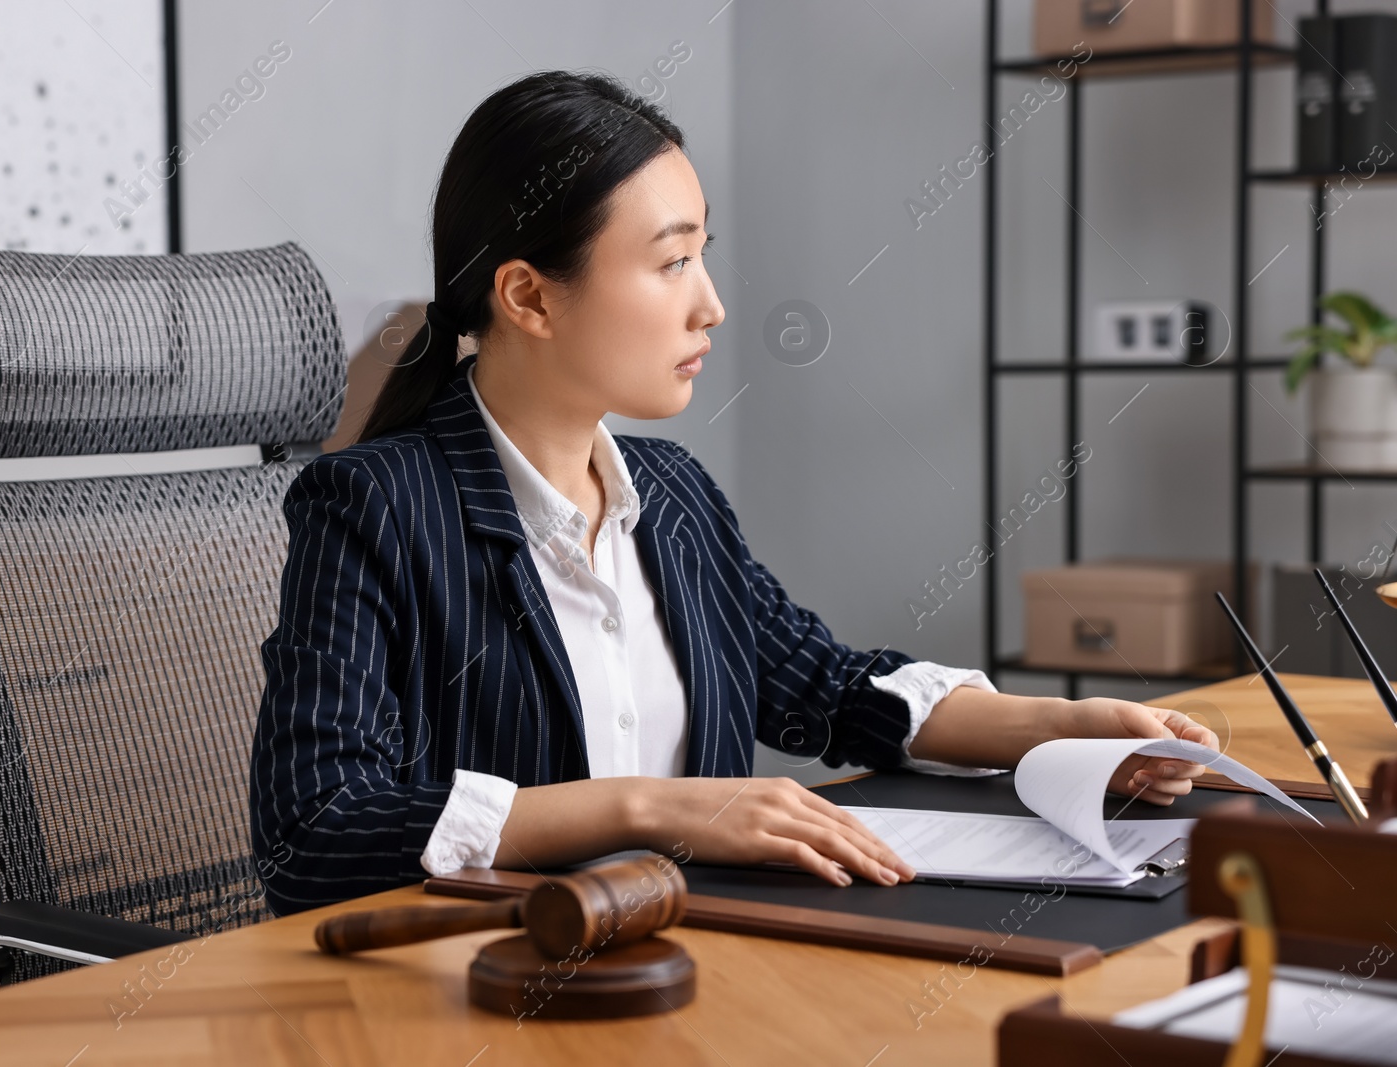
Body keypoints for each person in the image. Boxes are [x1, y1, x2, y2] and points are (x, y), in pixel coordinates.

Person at [248, 70, 1219, 914]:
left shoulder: (669, 495)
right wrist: (654, 806)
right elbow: (317, 829)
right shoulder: (370, 505)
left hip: (698, 970)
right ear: (529, 296)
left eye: (702, 253)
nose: (709, 302)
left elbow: (823, 686)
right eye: (672, 261)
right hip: (487, 998)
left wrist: (1064, 727)